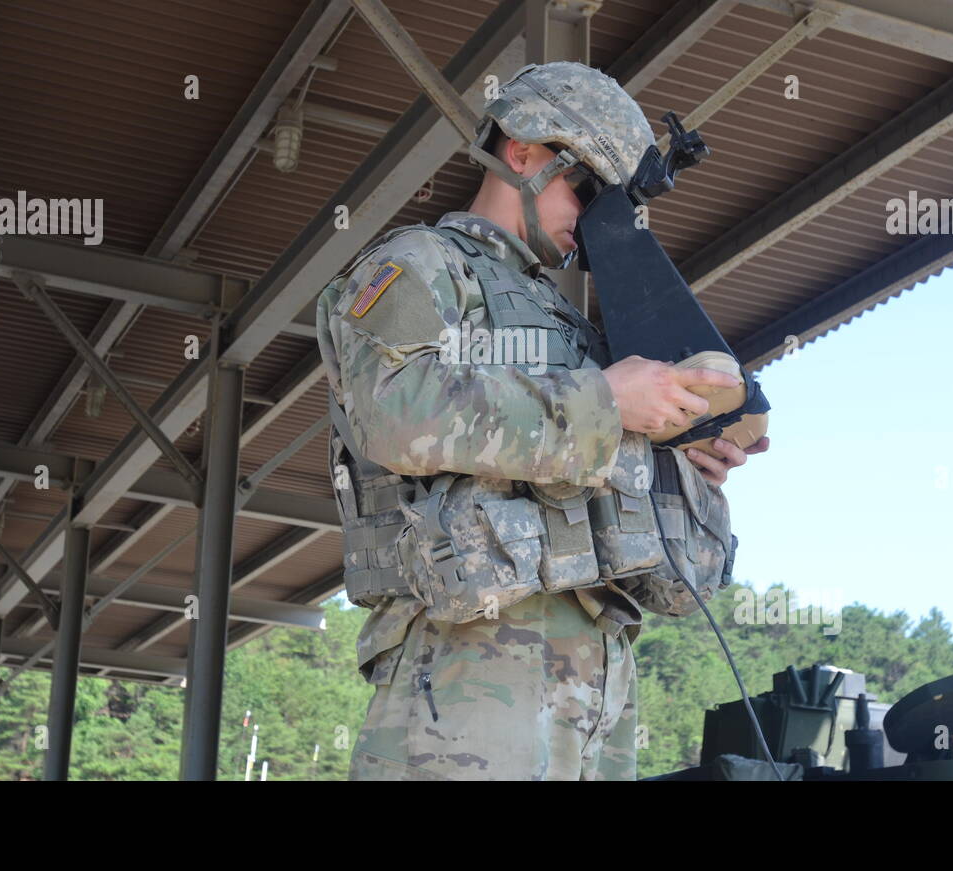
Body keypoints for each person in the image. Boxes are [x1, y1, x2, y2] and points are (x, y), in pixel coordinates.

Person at [314, 61, 769, 780]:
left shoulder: (572, 324)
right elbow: (392, 411)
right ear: (522, 151)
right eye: (586, 188)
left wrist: (679, 455)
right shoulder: (421, 264)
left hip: (598, 673)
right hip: (468, 662)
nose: (593, 220)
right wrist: (606, 404)